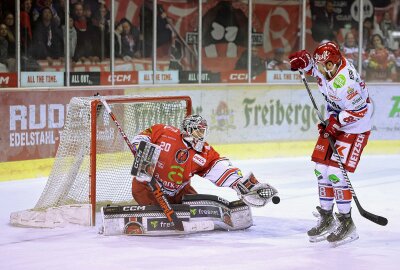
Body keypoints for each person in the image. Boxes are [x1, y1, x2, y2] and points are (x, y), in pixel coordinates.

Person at [288, 41, 373, 246]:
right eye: (320, 65)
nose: (321, 69)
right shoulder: (328, 67)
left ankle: (346, 222)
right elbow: (315, 71)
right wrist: (305, 62)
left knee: (336, 173)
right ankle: (327, 217)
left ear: (333, 64)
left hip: (355, 127)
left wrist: (336, 122)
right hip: (335, 121)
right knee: (320, 169)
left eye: (324, 65)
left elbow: (360, 111)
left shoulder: (346, 83)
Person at [131, 114, 277, 207]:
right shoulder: (163, 131)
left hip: (179, 191)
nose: (201, 134)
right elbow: (142, 137)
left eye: (203, 131)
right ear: (188, 129)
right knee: (154, 210)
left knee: (197, 207)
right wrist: (139, 147)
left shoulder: (203, 151)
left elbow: (218, 166)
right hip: (147, 188)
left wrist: (240, 184)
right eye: (198, 130)